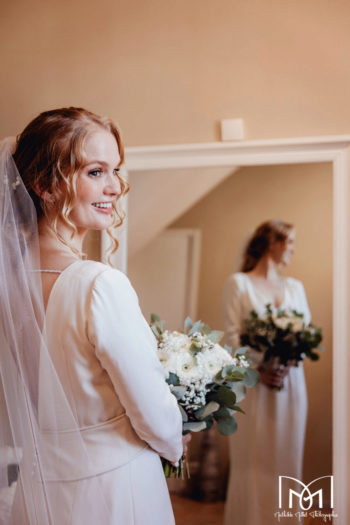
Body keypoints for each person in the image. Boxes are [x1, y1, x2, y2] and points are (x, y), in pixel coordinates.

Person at [0, 107, 186, 525]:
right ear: (45, 185)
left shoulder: (6, 282)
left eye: (115, 170)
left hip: (37, 486)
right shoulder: (98, 284)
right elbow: (153, 411)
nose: (116, 187)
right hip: (114, 488)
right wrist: (175, 441)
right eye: (96, 172)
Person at [223, 220, 310, 525]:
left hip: (290, 384)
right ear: (271, 242)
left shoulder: (294, 288)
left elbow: (305, 335)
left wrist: (286, 364)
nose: (293, 250)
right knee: (253, 460)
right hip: (253, 386)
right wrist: (260, 369)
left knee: (287, 457)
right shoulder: (239, 284)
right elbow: (233, 337)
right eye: (290, 242)